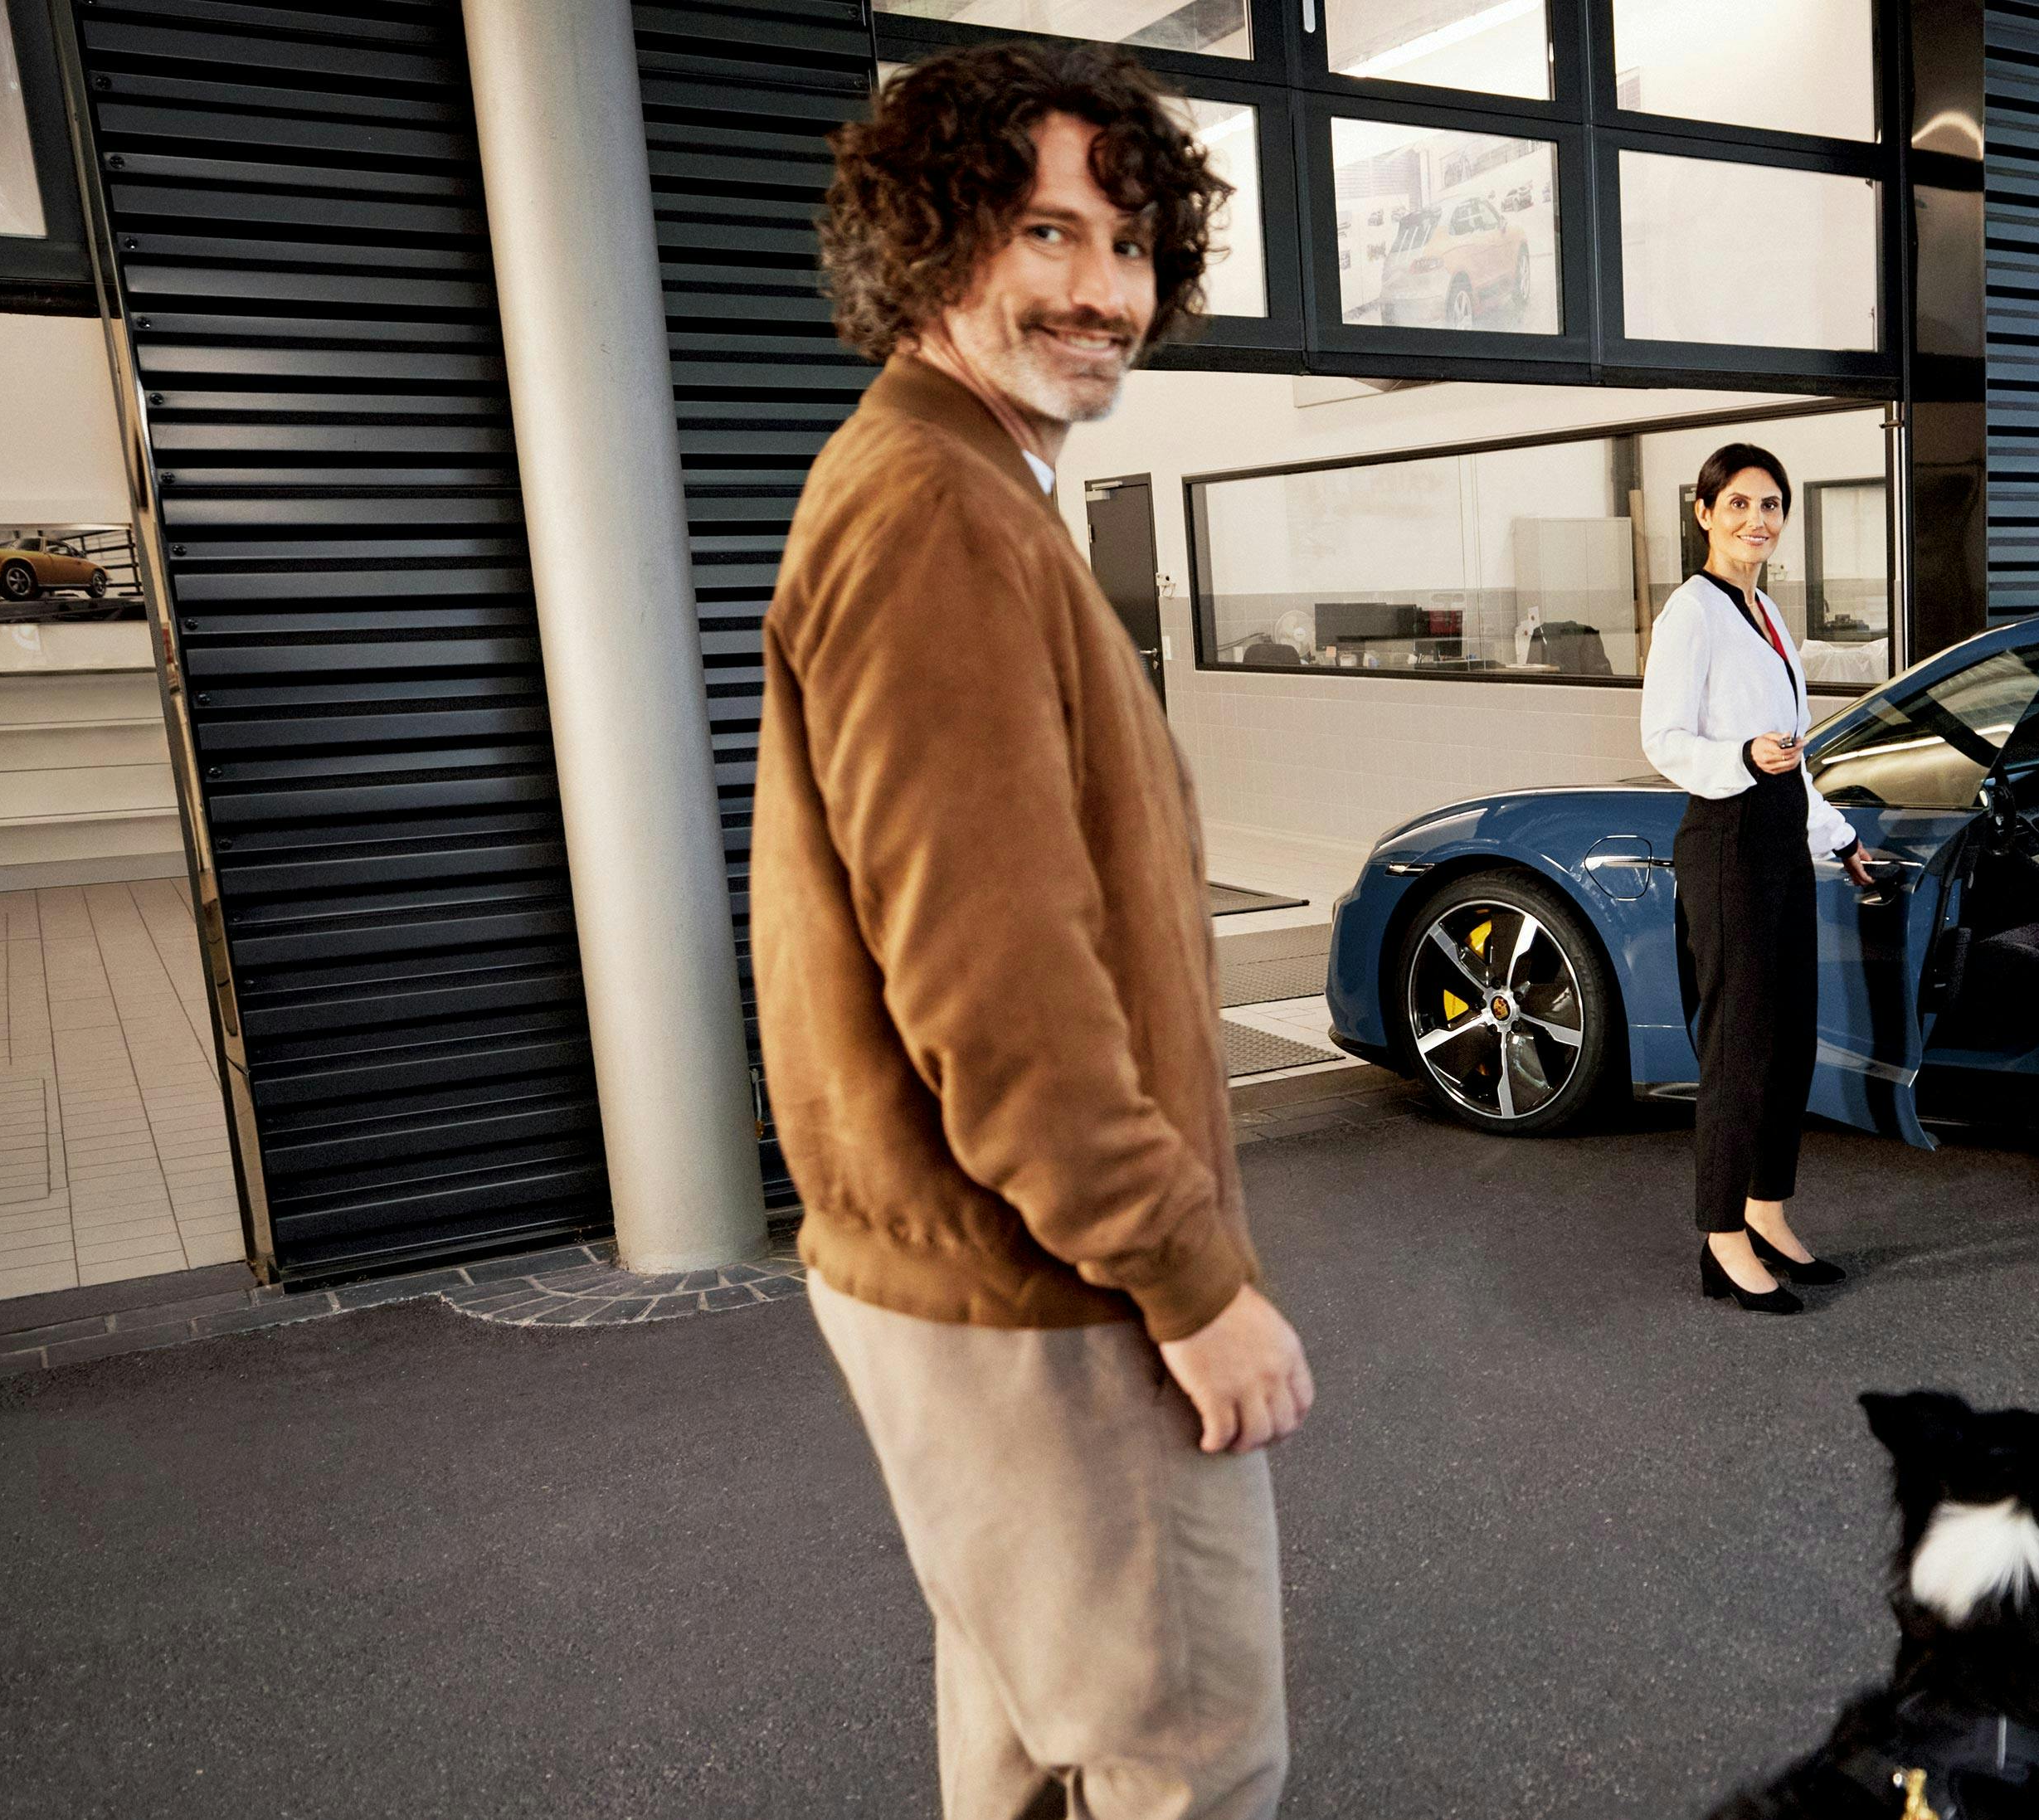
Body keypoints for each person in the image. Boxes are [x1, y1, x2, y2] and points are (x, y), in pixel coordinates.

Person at [758, 41, 1310, 1820]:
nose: (1102, 291)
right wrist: (1189, 1276)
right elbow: (995, 986)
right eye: (1046, 231)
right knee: (1184, 1749)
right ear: (925, 248)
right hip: (1049, 1287)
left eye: (1133, 246)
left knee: (1027, 1727)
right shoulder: (933, 510)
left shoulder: (957, 483)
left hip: (976, 1266)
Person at [1640, 445, 1878, 1315]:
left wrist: (1838, 836)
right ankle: (1720, 1235)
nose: (1756, 520)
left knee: (1789, 1041)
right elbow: (1662, 739)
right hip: (1725, 837)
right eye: (1737, 503)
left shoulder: (1767, 613)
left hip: (1777, 835)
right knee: (1738, 1048)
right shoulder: (1691, 613)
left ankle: (1766, 1207)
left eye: (1771, 505)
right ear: (1703, 513)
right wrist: (1739, 755)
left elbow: (1794, 758)